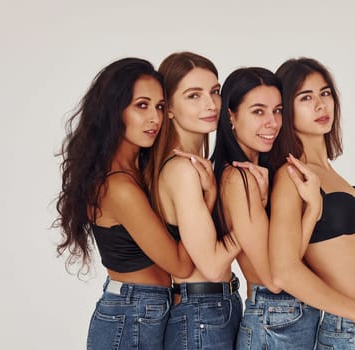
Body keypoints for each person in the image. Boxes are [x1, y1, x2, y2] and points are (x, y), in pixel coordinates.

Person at [54, 58, 203, 349]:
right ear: (114, 110)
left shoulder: (140, 171)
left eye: (160, 107)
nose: (155, 119)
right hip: (131, 315)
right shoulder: (119, 187)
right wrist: (202, 201)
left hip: (146, 311)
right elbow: (180, 265)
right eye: (142, 105)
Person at [269, 58, 355, 349]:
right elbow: (284, 271)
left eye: (325, 93)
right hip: (353, 332)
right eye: (306, 97)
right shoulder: (291, 175)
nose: (321, 105)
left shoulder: (328, 172)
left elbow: (343, 254)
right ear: (285, 108)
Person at [211, 67, 323, 349]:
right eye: (258, 112)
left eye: (277, 111)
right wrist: (313, 210)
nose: (272, 122)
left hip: (287, 319)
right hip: (274, 322)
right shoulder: (237, 178)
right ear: (231, 116)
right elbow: (274, 278)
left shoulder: (260, 173)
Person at [147, 52, 242, 350]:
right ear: (170, 108)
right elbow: (212, 266)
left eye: (214, 91)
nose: (211, 104)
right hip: (202, 311)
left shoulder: (194, 165)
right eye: (194, 96)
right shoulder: (182, 170)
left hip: (211, 308)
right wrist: (253, 219)